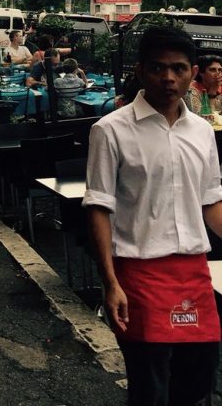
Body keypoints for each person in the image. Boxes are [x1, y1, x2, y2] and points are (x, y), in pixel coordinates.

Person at [83, 27, 222, 406]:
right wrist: (109, 281)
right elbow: (98, 206)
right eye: (159, 68)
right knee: (150, 388)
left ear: (193, 71)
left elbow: (211, 201)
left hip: (193, 271)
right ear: (141, 71)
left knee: (198, 379)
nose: (169, 78)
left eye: (178, 69)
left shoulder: (201, 132)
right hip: (138, 273)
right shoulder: (110, 130)